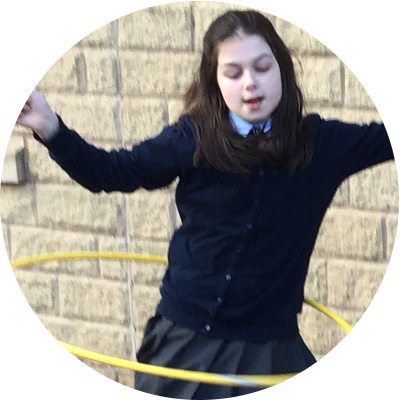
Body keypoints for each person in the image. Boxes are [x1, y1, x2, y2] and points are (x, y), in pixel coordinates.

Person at [3, 9, 400, 400]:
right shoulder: (193, 139)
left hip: (272, 344)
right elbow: (110, 173)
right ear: (215, 81)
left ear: (282, 68)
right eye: (233, 73)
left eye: (262, 67)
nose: (250, 83)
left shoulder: (322, 145)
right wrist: (48, 125)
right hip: (191, 341)